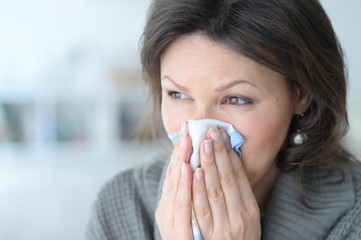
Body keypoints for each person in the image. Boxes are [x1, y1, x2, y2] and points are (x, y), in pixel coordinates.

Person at [86, 0, 361, 239]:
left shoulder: (353, 214)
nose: (202, 135)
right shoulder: (121, 206)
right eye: (177, 94)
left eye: (237, 99)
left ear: (301, 94)